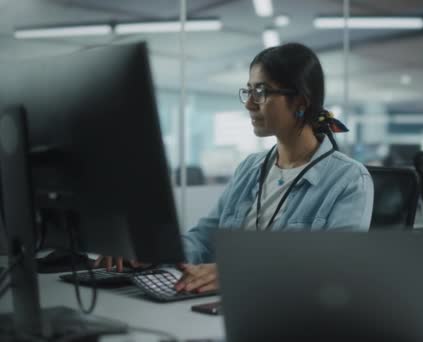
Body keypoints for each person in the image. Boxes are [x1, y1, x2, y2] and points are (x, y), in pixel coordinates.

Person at [96, 43, 374, 293]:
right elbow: (205, 240)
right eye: (248, 91)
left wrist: (237, 273)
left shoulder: (348, 179)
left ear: (300, 102)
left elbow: (333, 269)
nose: (250, 104)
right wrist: (151, 252)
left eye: (261, 92)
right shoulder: (251, 169)